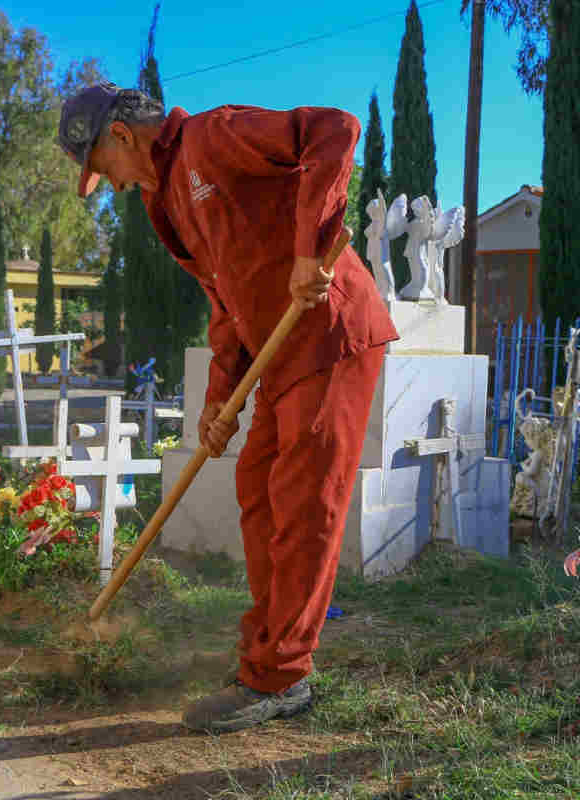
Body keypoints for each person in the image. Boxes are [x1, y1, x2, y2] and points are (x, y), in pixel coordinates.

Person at [57, 83, 398, 733]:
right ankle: (263, 654)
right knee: (257, 491)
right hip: (276, 356)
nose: (113, 184)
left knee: (302, 504)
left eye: (103, 167)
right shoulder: (170, 207)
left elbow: (336, 128)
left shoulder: (213, 137)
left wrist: (308, 247)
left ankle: (281, 676)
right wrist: (219, 406)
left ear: (122, 137)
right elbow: (227, 305)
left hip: (329, 334)